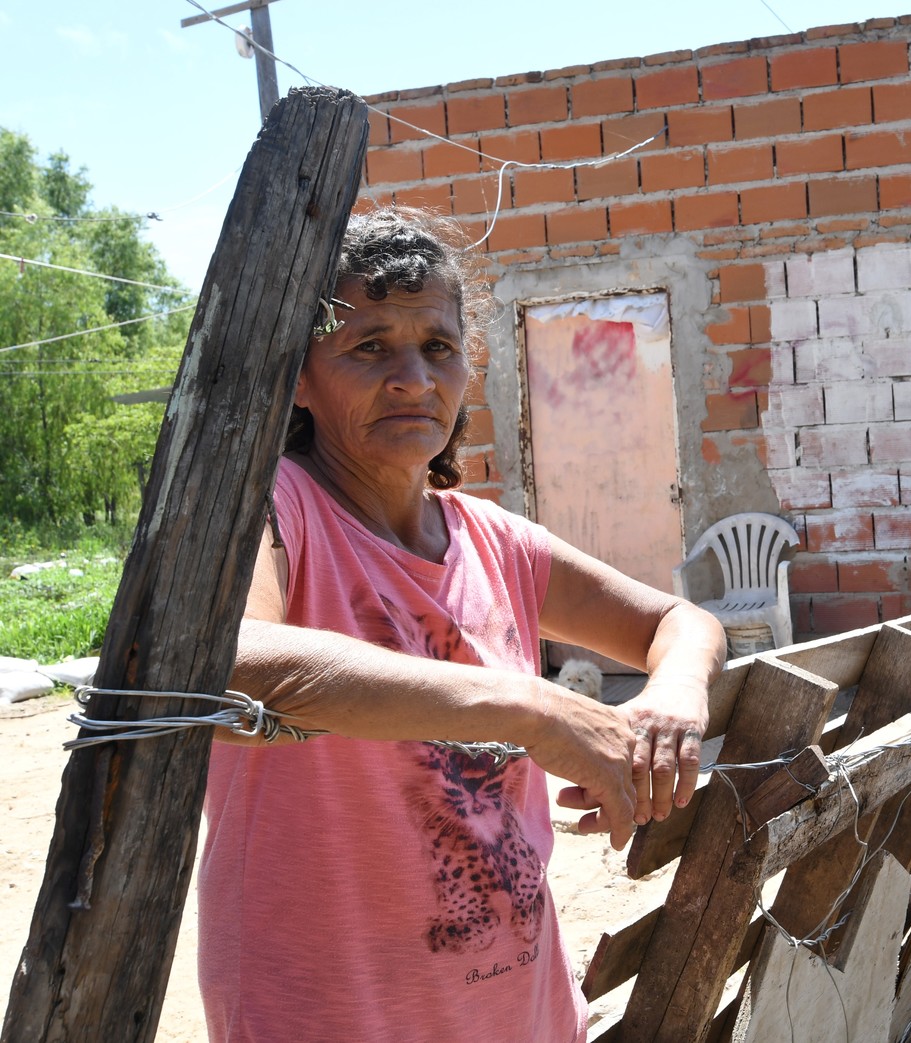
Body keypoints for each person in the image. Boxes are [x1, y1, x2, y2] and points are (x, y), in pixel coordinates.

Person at [197, 206, 726, 1042]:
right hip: (337, 1010)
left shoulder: (491, 539)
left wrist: (671, 699)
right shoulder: (274, 508)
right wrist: (534, 708)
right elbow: (226, 660)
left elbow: (678, 620)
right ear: (300, 376)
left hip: (518, 1004)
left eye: (437, 346)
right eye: (369, 345)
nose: (413, 376)